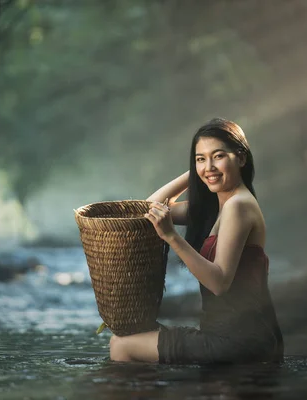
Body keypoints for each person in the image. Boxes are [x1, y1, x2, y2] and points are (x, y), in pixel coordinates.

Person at [109, 118, 284, 364]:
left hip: (238, 340)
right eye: (200, 158)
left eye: (219, 156)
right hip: (234, 335)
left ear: (241, 158)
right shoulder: (218, 207)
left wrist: (171, 236)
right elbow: (146, 209)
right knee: (122, 342)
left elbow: (219, 282)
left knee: (122, 346)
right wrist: (199, 171)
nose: (209, 166)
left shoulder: (238, 206)